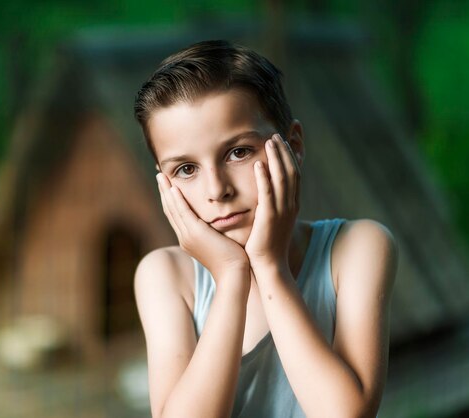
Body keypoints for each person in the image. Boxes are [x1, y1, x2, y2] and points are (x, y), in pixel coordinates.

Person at [133, 40, 397, 418]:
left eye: (238, 152)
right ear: (166, 185)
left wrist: (269, 266)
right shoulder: (166, 276)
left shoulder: (358, 248)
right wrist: (231, 276)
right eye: (186, 169)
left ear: (293, 146)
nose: (217, 190)